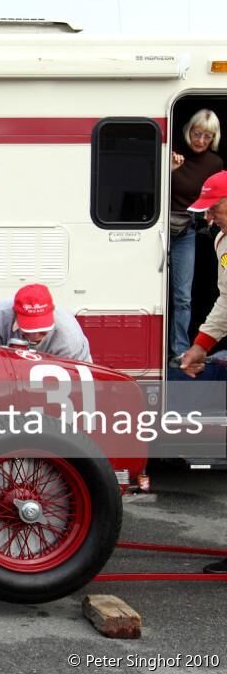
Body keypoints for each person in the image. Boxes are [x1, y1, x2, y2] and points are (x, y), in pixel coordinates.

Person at [178, 170, 227, 575]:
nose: (208, 217)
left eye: (214, 208)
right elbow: (226, 302)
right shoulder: (222, 239)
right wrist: (200, 347)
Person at [168, 109, 223, 363]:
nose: (200, 140)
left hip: (188, 230)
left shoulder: (214, 164)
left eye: (207, 136)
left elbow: (212, 198)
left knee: (183, 295)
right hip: (159, 227)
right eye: (197, 133)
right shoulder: (172, 151)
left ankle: (179, 349)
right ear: (188, 131)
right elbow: (147, 192)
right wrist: (167, 169)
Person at [0, 283, 92, 362]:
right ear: (15, 314)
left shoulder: (69, 337)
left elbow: (78, 381)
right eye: (28, 330)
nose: (34, 337)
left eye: (42, 331)